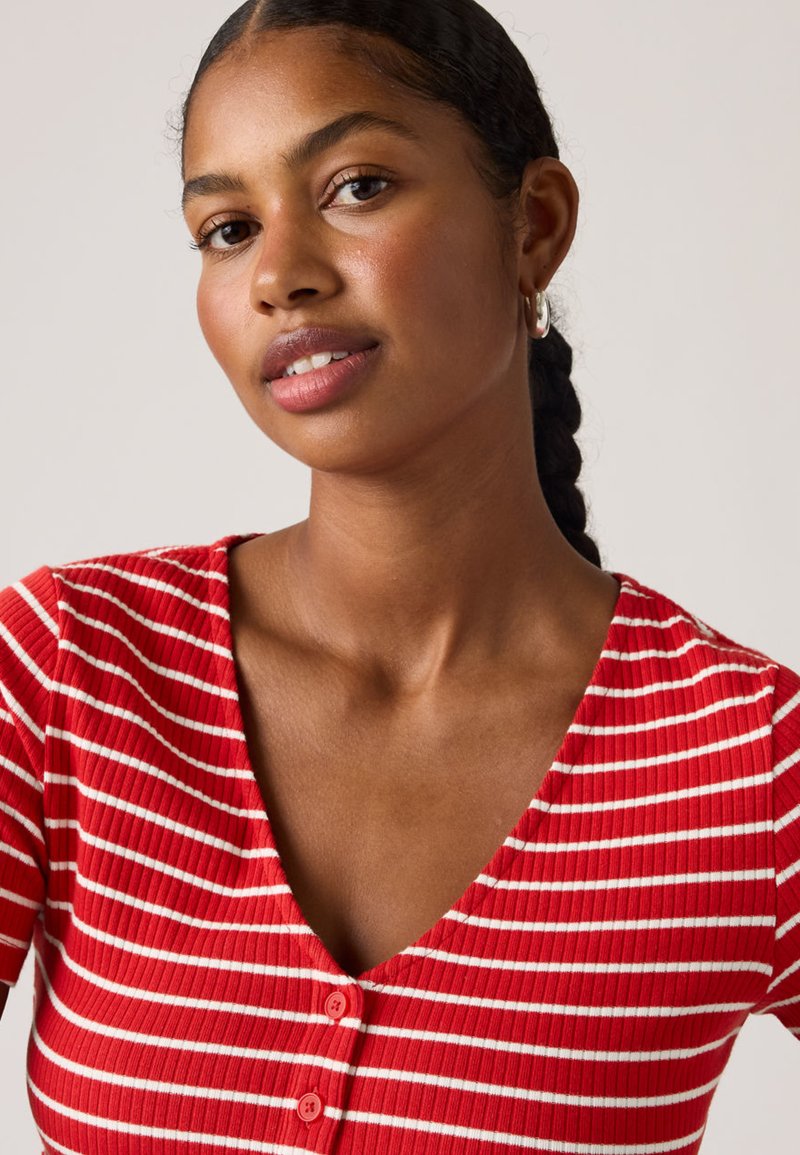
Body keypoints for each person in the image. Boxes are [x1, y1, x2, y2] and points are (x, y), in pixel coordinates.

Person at [1, 0, 798, 1152]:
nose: (279, 273)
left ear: (531, 224)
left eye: (355, 187)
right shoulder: (70, 670)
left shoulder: (747, 766)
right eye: (226, 228)